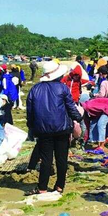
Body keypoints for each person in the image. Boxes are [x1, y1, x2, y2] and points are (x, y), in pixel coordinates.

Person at [25, 60, 83, 195]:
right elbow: (71, 107)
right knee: (61, 158)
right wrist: (78, 118)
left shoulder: (35, 89)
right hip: (62, 129)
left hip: (43, 130)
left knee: (46, 159)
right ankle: (59, 186)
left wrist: (31, 127)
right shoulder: (62, 88)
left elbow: (30, 112)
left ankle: (42, 187)